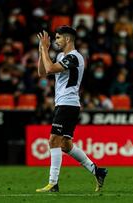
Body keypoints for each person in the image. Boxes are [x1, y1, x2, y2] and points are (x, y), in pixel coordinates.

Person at [35, 26, 108, 192]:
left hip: (68, 104)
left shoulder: (75, 57)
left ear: (67, 39)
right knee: (66, 145)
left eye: (58, 38)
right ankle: (97, 171)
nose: (56, 41)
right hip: (66, 104)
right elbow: (42, 72)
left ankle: (53, 182)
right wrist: (42, 51)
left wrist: (45, 50)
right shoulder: (62, 56)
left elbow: (51, 69)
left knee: (53, 140)